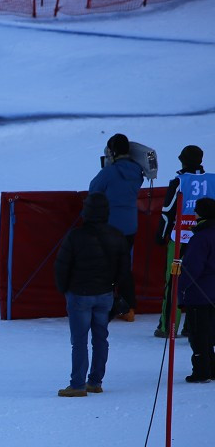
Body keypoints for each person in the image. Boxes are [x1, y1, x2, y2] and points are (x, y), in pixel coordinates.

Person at [53, 192, 131, 397]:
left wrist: (64, 289)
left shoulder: (75, 235)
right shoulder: (117, 235)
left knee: (79, 341)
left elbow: (62, 266)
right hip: (105, 294)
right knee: (100, 338)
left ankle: (77, 384)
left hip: (79, 294)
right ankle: (95, 382)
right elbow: (124, 269)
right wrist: (114, 287)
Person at [88, 133, 144, 321]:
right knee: (124, 265)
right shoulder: (137, 171)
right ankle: (129, 308)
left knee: (106, 265)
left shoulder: (109, 172)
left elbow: (94, 189)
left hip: (110, 224)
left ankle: (107, 305)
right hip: (131, 224)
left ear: (112, 152)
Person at [155, 144, 205, 337]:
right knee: (200, 280)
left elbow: (168, 213)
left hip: (181, 241)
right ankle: (193, 326)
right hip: (205, 239)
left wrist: (161, 237)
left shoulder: (179, 181)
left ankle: (168, 326)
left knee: (174, 281)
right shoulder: (212, 180)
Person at [178, 197, 215, 382]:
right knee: (210, 333)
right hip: (212, 293)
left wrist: (181, 289)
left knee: (198, 334)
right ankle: (212, 367)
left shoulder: (200, 238)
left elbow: (192, 268)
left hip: (200, 293)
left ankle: (201, 370)